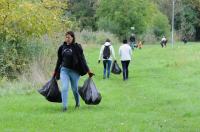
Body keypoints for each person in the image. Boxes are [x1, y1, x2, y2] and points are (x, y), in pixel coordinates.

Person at [53, 31, 94, 112]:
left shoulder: (77, 47)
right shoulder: (62, 48)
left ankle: (77, 103)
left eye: (69, 37)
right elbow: (59, 60)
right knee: (64, 88)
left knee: (74, 89)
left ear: (72, 38)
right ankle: (64, 107)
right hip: (64, 70)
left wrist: (88, 71)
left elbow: (82, 59)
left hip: (75, 71)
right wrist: (55, 71)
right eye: (66, 37)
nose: (67, 39)